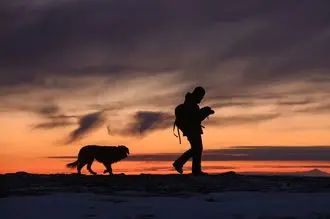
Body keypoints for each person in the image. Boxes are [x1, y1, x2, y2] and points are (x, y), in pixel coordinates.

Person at [172, 86, 215, 176]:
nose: (201, 98)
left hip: (191, 129)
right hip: (192, 129)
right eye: (201, 96)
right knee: (197, 148)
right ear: (197, 94)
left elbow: (195, 118)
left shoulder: (190, 103)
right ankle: (184, 165)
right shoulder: (191, 104)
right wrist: (205, 112)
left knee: (197, 149)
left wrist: (204, 112)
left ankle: (192, 169)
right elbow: (195, 119)